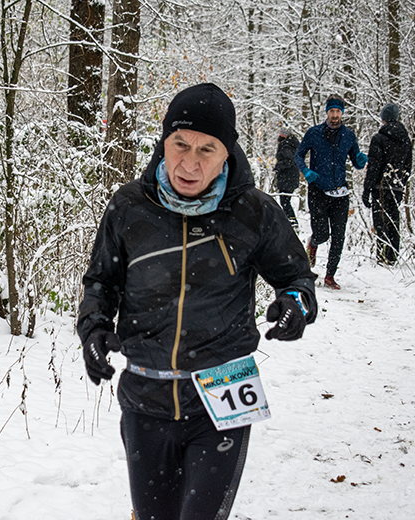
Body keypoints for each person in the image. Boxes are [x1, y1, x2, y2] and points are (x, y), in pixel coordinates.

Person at [77, 83, 317, 520]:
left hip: (221, 396)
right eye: (180, 144)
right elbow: (100, 282)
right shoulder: (129, 206)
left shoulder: (254, 211)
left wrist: (295, 307)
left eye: (207, 149)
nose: (189, 162)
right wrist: (92, 328)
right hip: (145, 397)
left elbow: (297, 279)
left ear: (228, 154)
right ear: (163, 142)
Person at [294, 95, 367, 290]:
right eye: (331, 111)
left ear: (342, 113)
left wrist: (360, 161)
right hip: (318, 189)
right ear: (327, 112)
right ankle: (314, 243)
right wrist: (306, 171)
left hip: (340, 192)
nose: (335, 115)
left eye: (338, 111)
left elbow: (356, 160)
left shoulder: (349, 136)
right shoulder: (314, 133)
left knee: (339, 235)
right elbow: (298, 154)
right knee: (322, 233)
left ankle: (330, 275)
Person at [362, 103, 412, 265]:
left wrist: (367, 188)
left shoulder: (379, 138)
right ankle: (392, 256)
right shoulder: (405, 139)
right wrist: (401, 182)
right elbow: (408, 166)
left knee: (380, 221)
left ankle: (382, 255)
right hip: (397, 185)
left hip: (380, 187)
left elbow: (374, 166)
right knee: (393, 219)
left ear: (383, 118)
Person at [274, 126, 301, 229]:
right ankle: (290, 221)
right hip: (291, 177)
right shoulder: (292, 144)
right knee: (285, 201)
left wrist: (278, 166)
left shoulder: (286, 146)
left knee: (284, 201)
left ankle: (292, 222)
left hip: (287, 178)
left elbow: (289, 161)